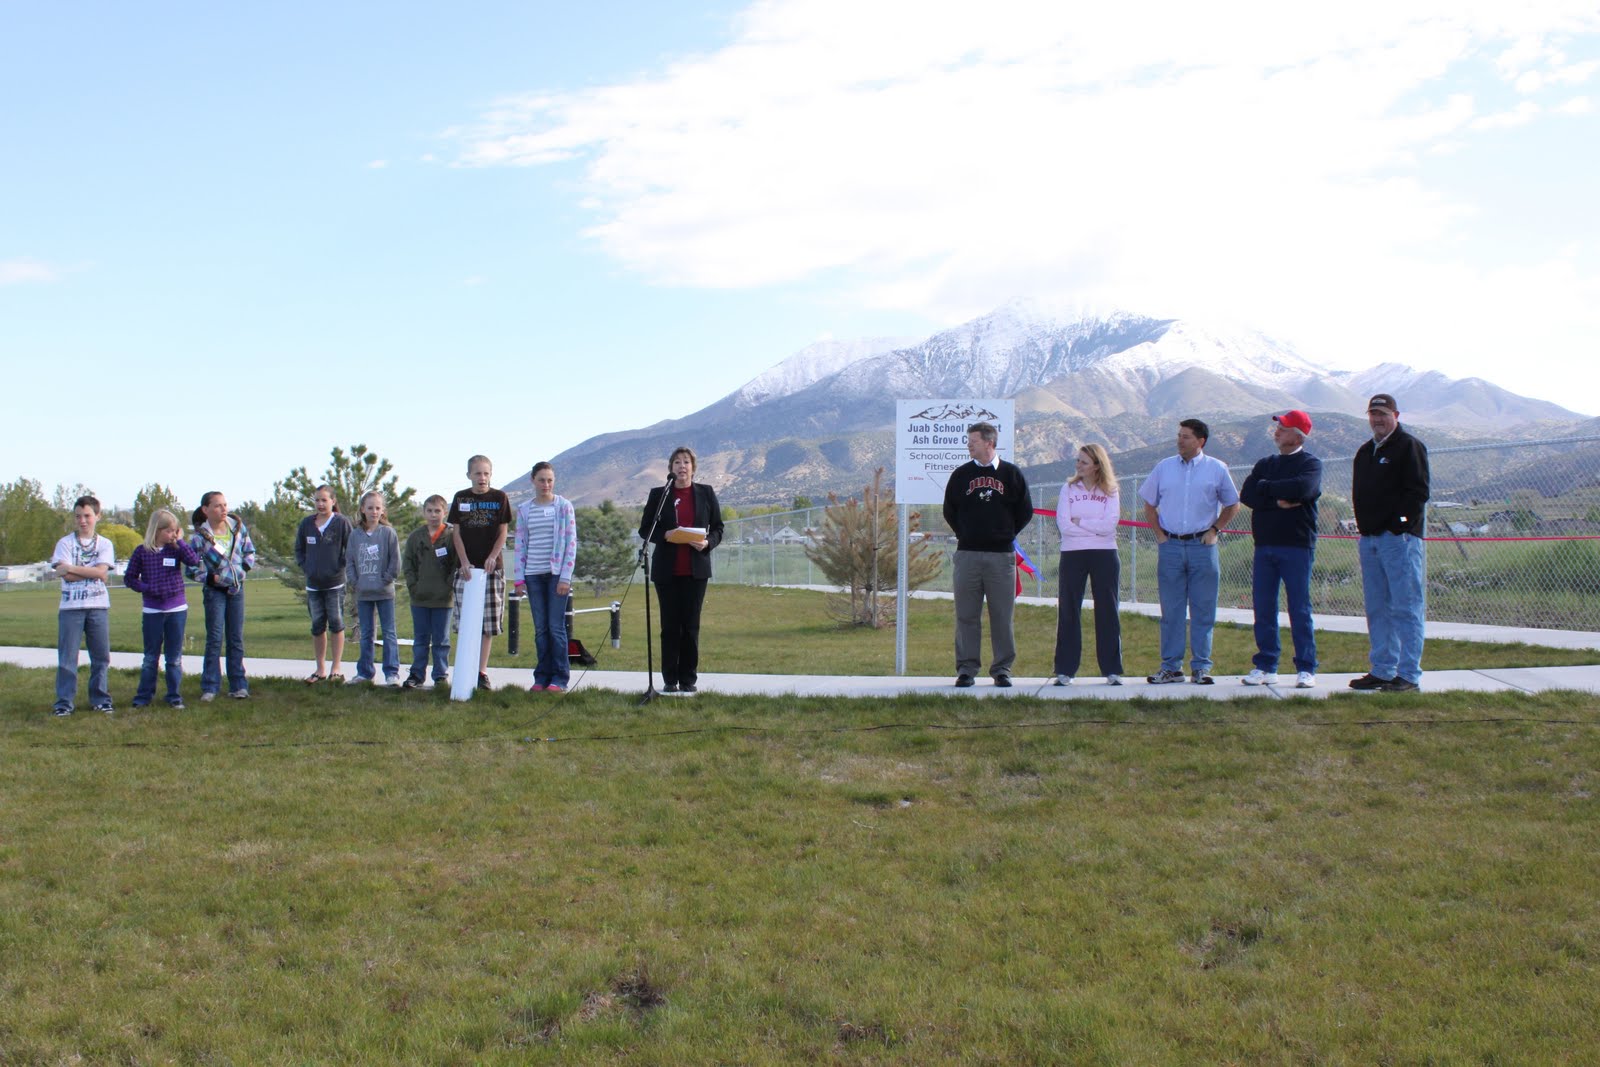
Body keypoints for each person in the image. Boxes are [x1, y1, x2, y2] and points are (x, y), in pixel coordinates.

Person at [1139, 418, 1240, 685]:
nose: (1179, 440)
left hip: (1202, 547)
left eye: (1185, 436)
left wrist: (1215, 530)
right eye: (1179, 435)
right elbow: (1148, 504)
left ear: (1200, 441)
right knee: (1171, 611)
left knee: (1203, 609)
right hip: (1170, 546)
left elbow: (1232, 504)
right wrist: (1160, 535)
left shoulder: (1217, 469)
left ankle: (1201, 668)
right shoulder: (1164, 467)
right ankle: (1171, 668)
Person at [942, 422, 1035, 688]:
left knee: (1002, 615)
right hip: (968, 555)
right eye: (968, 440)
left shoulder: (1011, 474)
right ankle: (967, 669)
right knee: (966, 614)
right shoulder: (961, 475)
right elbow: (950, 510)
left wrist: (1004, 533)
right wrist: (966, 534)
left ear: (989, 443)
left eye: (973, 440)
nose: (968, 445)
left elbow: (1024, 511)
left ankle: (1002, 669)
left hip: (1001, 557)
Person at [1349, 393, 1431, 692]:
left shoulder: (1409, 447)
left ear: (1396, 415)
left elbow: (1418, 492)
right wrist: (1365, 527)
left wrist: (1400, 526)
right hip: (1370, 539)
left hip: (1400, 541)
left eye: (1383, 413)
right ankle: (1382, 669)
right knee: (1377, 607)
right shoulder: (1364, 452)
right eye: (1373, 413)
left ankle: (1408, 674)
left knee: (1406, 607)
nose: (1377, 419)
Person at [1239, 411, 1322, 689]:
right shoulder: (1265, 464)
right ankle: (1266, 664)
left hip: (1297, 545)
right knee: (1263, 607)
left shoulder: (1310, 464)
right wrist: (1277, 500)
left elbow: (1304, 488)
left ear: (1298, 435)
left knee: (1299, 607)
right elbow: (1247, 495)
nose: (1277, 431)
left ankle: (1306, 667)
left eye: (1283, 428)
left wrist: (1266, 489)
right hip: (1264, 544)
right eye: (1277, 427)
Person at [639, 446, 724, 694]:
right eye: (677, 462)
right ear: (671, 468)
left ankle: (688, 679)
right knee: (670, 627)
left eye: (686, 462)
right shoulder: (659, 495)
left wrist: (708, 542)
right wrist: (664, 534)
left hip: (696, 571)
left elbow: (718, 527)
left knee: (690, 626)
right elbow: (645, 529)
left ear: (693, 468)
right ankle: (669, 679)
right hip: (667, 572)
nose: (682, 466)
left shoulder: (705, 493)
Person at [1052, 443, 1124, 686]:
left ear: (1096, 465)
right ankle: (1065, 670)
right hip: (1073, 553)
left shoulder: (1111, 491)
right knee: (1069, 609)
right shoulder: (1068, 488)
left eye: (1083, 462)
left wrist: (1081, 520)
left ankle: (1112, 669)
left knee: (1107, 610)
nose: (1078, 465)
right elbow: (1064, 525)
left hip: (1105, 553)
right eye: (1078, 461)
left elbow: (1109, 525)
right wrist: (1091, 527)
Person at [122, 508, 199, 709]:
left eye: (175, 531)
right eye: (169, 531)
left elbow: (193, 561)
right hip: (153, 611)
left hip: (176, 609)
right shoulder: (142, 552)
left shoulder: (175, 549)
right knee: (150, 657)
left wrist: (180, 541)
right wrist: (147, 588)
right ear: (157, 530)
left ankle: (174, 696)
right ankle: (143, 696)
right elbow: (129, 578)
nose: (173, 534)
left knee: (173, 658)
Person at [515, 461, 579, 693]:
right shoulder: (524, 509)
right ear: (533, 480)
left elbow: (571, 543)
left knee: (556, 627)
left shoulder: (564, 506)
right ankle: (541, 676)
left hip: (556, 576)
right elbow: (520, 545)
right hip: (533, 575)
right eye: (541, 479)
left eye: (550, 480)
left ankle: (560, 678)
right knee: (540, 628)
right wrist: (519, 579)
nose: (546, 484)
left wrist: (565, 577)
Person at [50, 495, 116, 716]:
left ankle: (100, 698)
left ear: (97, 516)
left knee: (101, 656)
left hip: (97, 606)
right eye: (78, 516)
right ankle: (64, 703)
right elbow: (64, 575)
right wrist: (94, 573)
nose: (83, 521)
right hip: (70, 608)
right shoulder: (65, 543)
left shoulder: (105, 544)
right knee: (68, 658)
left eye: (87, 515)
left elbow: (101, 573)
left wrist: (73, 569)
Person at [187, 491, 256, 701]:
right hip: (214, 592)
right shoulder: (199, 538)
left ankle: (238, 685)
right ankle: (210, 686)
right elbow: (191, 569)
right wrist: (211, 579)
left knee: (235, 638)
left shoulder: (237, 529)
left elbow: (250, 552)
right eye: (217, 506)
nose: (223, 509)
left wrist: (242, 571)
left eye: (225, 505)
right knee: (215, 638)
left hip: (237, 589)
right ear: (205, 510)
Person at [451, 455, 511, 691]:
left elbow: (503, 531)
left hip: (491, 570)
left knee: (488, 623)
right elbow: (456, 533)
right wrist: (464, 561)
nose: (482, 478)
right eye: (477, 473)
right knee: (466, 623)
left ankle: (481, 672)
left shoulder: (500, 498)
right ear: (469, 475)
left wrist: (492, 557)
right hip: (466, 570)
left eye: (486, 473)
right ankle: (464, 668)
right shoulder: (460, 498)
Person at [293, 484, 352, 684]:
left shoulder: (341, 523)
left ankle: (336, 668)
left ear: (333, 501)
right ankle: (320, 669)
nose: (320, 503)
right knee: (318, 626)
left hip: (335, 584)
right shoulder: (307, 524)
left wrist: (339, 567)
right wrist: (307, 567)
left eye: (324, 500)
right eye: (317, 500)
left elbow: (350, 548)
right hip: (313, 585)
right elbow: (299, 550)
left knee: (336, 623)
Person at [347, 490, 402, 686]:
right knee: (366, 633)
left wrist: (386, 579)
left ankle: (391, 673)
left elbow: (395, 561)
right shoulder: (355, 535)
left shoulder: (388, 533)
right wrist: (355, 582)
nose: (374, 511)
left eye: (378, 508)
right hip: (363, 593)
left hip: (384, 592)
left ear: (383, 510)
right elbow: (350, 561)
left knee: (388, 632)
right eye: (370, 508)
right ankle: (365, 672)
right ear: (363, 509)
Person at [402, 494, 455, 690]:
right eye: (430, 511)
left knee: (441, 640)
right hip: (420, 598)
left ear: (445, 512)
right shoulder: (416, 536)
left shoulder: (450, 536)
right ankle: (416, 674)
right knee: (421, 639)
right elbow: (408, 564)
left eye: (437, 511)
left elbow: (456, 565)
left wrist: (448, 585)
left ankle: (440, 675)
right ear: (424, 512)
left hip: (443, 598)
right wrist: (413, 586)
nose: (433, 515)